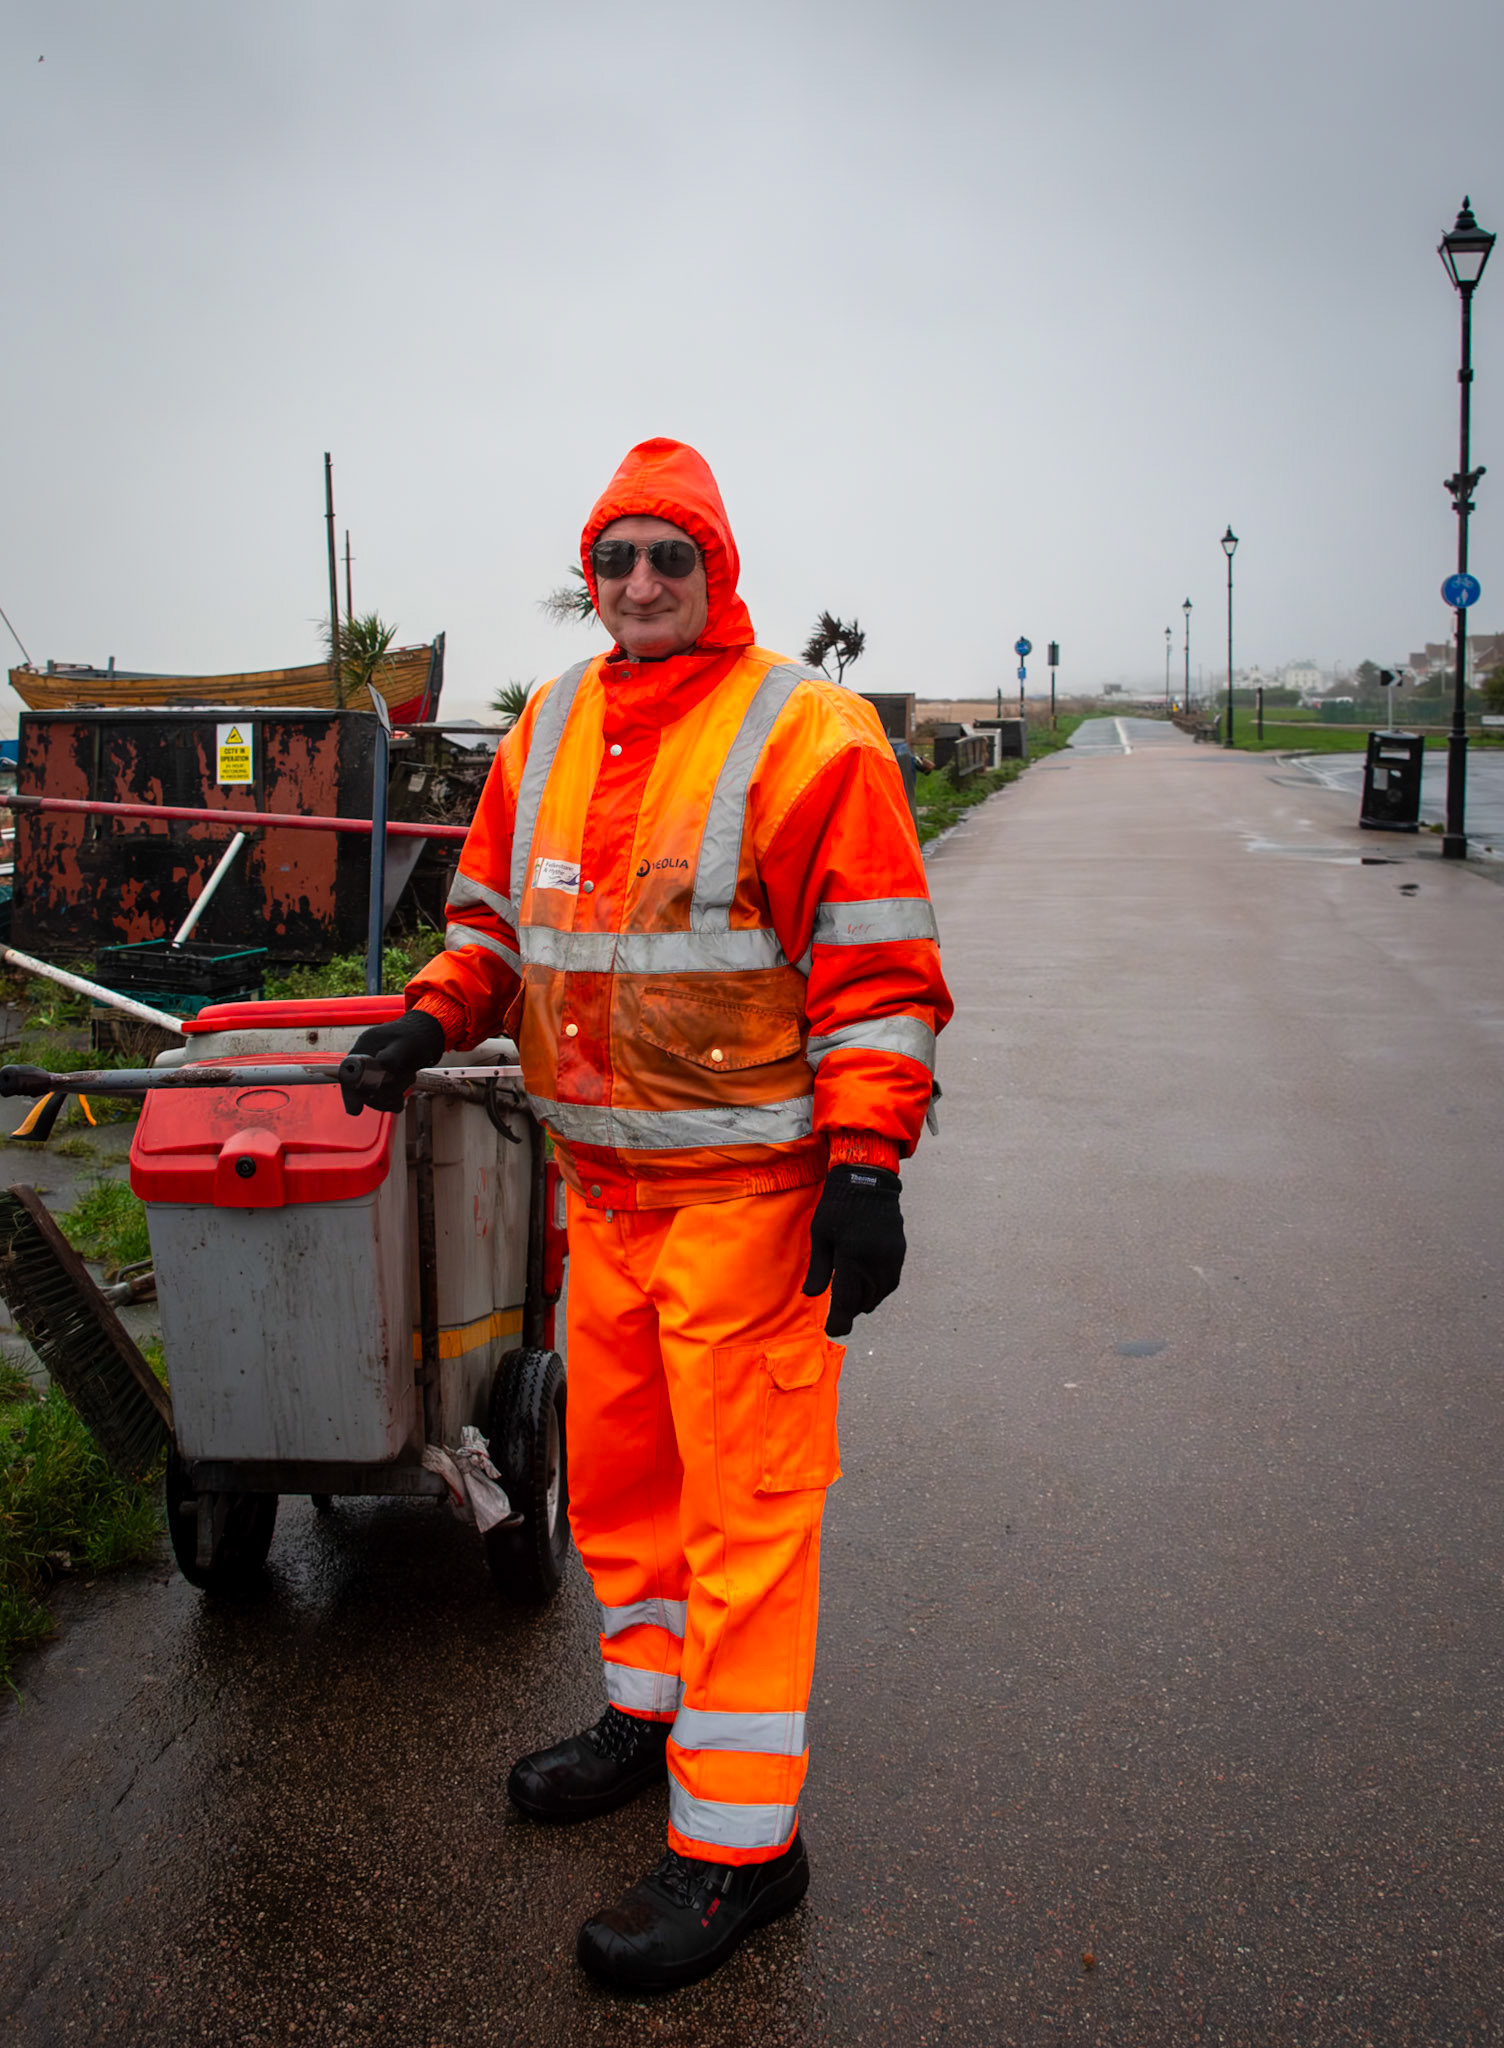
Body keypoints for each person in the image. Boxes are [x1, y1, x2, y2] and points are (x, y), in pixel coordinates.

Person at [344, 437, 951, 1992]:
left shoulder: (811, 735)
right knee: (622, 1487)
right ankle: (653, 1719)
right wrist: (428, 1012)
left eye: (667, 557)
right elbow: (492, 922)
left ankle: (743, 1855)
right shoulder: (550, 723)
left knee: (747, 1520)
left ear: (716, 567)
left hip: (750, 1203)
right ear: (590, 573)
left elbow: (878, 975)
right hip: (603, 1201)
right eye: (614, 559)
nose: (637, 584)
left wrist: (868, 1168)